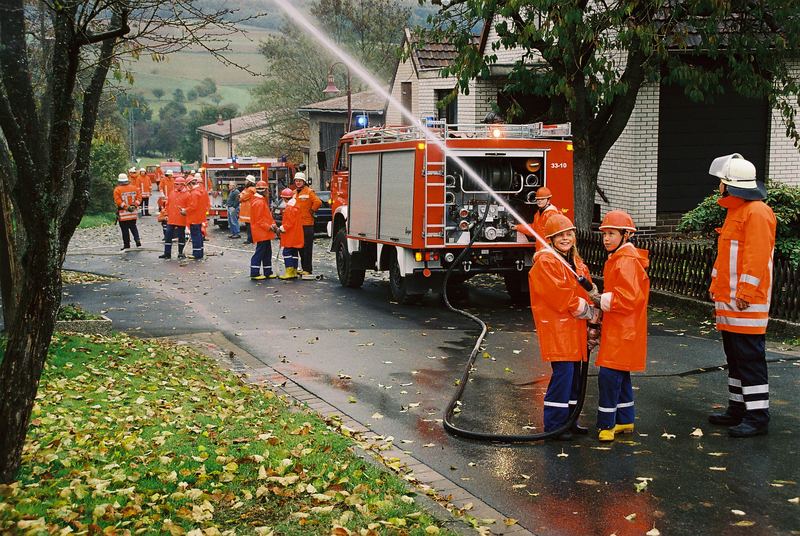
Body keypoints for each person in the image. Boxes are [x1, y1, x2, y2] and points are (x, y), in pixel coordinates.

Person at [707, 154, 776, 438]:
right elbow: (727, 259)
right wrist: (716, 289)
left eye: (721, 182)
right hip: (732, 300)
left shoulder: (756, 212)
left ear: (731, 185)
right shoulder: (737, 211)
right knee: (735, 357)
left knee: (749, 358)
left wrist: (745, 292)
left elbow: (756, 257)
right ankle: (738, 408)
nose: (718, 187)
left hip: (747, 302)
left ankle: (757, 415)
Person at [529, 214, 597, 440]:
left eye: (569, 234)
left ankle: (570, 419)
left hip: (574, 328)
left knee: (575, 375)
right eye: (560, 235)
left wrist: (593, 312)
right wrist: (587, 311)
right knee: (564, 374)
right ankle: (555, 424)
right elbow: (559, 295)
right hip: (558, 328)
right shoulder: (547, 262)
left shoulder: (574, 261)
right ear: (551, 238)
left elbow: (585, 289)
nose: (565, 238)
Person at [593, 210, 650, 442]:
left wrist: (602, 300)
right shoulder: (622, 258)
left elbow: (628, 298)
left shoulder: (625, 261)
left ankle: (606, 424)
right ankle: (625, 418)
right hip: (624, 327)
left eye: (612, 234)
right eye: (604, 234)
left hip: (622, 329)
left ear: (626, 235)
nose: (606, 238)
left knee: (608, 375)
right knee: (621, 373)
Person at [292, 171, 322, 274]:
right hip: (298, 224)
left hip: (307, 224)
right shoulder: (294, 193)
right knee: (300, 247)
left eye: (300, 181)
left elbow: (318, 202)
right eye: (296, 181)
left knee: (307, 248)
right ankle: (304, 268)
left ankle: (308, 269)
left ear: (304, 182)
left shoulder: (309, 192)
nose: (298, 182)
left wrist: (312, 210)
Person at [513, 186, 558, 251]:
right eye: (537, 199)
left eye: (542, 199)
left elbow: (557, 235)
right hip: (541, 249)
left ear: (548, 200)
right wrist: (517, 227)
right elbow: (534, 229)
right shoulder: (538, 214)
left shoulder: (552, 214)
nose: (539, 201)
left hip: (548, 250)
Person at [249, 180, 278, 280]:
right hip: (262, 232)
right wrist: (270, 227)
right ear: (264, 190)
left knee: (266, 252)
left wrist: (272, 224)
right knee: (260, 252)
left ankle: (268, 271)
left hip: (263, 232)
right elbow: (260, 220)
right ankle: (254, 272)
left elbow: (266, 217)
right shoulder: (259, 202)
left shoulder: (259, 201)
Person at [159, 177, 189, 259]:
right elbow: (167, 205)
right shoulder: (172, 193)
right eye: (175, 184)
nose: (175, 185)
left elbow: (190, 207)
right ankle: (167, 253)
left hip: (181, 219)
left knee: (181, 236)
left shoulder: (187, 194)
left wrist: (185, 212)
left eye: (177, 184)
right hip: (171, 219)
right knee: (168, 236)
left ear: (183, 184)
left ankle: (181, 253)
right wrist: (165, 214)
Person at [277, 188, 304, 280]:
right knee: (294, 252)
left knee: (287, 252)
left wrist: (281, 228)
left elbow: (288, 223)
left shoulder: (289, 208)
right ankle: (295, 270)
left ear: (284, 198)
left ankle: (289, 271)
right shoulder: (296, 205)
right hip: (297, 233)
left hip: (290, 234)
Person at [113, 173, 141, 250]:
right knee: (133, 226)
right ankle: (137, 239)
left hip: (123, 214)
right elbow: (139, 198)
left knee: (124, 229)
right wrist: (134, 206)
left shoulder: (117, 189)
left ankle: (127, 244)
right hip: (133, 213)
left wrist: (126, 207)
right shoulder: (134, 188)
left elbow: (118, 201)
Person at [186, 175, 209, 260]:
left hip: (194, 218)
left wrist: (185, 210)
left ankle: (196, 254)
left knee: (195, 236)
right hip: (200, 217)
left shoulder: (194, 193)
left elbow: (193, 206)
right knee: (199, 235)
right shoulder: (201, 191)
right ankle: (200, 252)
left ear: (190, 184)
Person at [239, 175, 257, 244]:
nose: (245, 181)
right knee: (248, 226)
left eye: (246, 180)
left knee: (249, 226)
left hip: (248, 211)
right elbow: (241, 196)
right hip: (247, 211)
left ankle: (250, 239)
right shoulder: (248, 189)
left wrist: (241, 196)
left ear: (250, 182)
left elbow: (242, 197)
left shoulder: (250, 190)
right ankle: (250, 238)